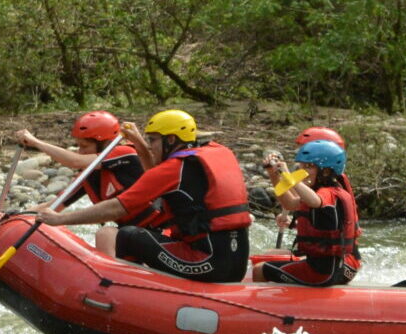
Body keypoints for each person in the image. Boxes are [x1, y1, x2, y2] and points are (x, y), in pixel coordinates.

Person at [38, 109, 253, 282]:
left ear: (170, 140)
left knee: (126, 236)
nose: (151, 147)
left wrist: (60, 220)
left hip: (206, 262)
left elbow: (117, 207)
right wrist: (141, 145)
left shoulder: (173, 169)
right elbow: (156, 177)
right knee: (131, 235)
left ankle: (115, 292)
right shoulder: (215, 152)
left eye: (153, 141)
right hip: (236, 260)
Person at [15, 111, 144, 255]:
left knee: (105, 234)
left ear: (106, 144)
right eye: (78, 146)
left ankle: (109, 275)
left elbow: (74, 161)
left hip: (157, 231)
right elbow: (53, 206)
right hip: (129, 233)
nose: (80, 151)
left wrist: (35, 142)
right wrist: (13, 217)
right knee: (106, 234)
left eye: (84, 146)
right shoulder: (89, 174)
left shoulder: (125, 153)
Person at [256, 140, 361, 287]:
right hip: (333, 267)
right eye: (302, 166)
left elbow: (314, 201)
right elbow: (289, 203)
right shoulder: (324, 190)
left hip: (321, 272)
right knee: (272, 257)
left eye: (309, 167)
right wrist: (274, 174)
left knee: (259, 269)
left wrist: (289, 176)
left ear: (325, 171)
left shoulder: (328, 192)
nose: (302, 171)